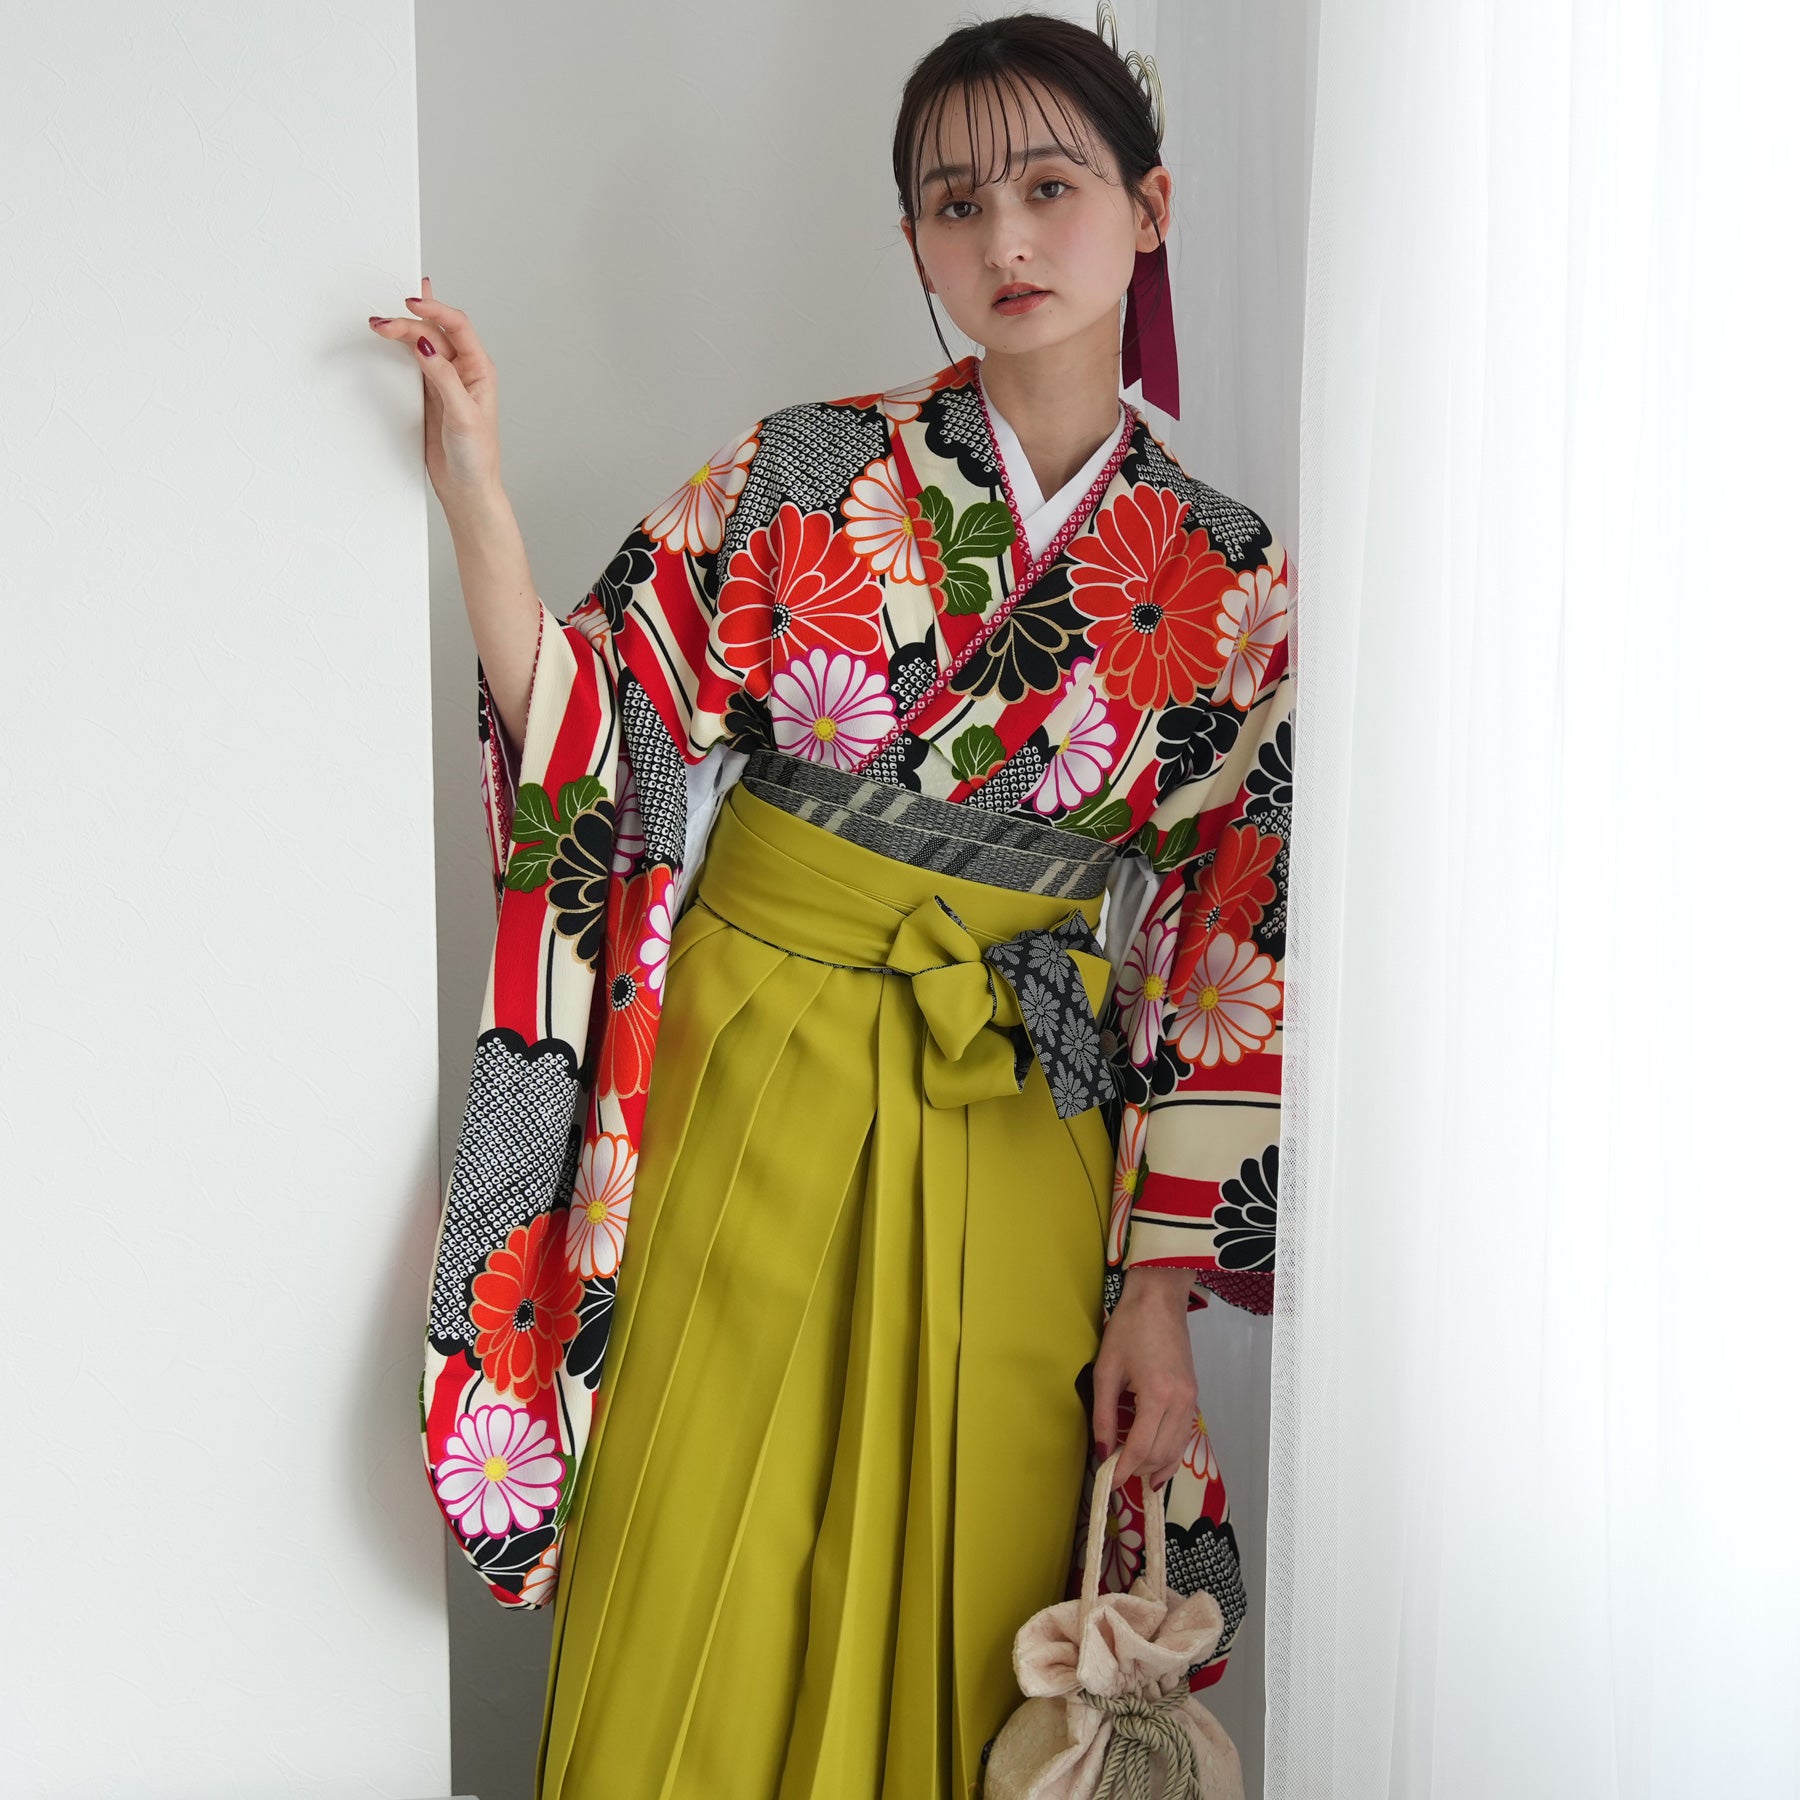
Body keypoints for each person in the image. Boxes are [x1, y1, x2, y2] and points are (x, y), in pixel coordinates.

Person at [378, 12, 1292, 1797]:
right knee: (687, 1532)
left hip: (1020, 1104)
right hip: (752, 1057)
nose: (1004, 237)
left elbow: (1226, 944)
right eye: (955, 204)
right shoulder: (804, 473)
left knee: (967, 1575)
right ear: (916, 245)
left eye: (1050, 187)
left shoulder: (1230, 575)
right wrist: (474, 487)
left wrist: (1159, 1294)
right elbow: (595, 730)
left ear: (1150, 207)